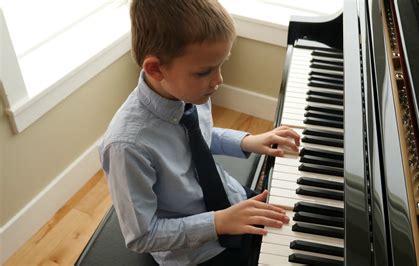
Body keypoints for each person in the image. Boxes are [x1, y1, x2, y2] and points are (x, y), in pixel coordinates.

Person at [99, 0, 300, 265]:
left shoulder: (192, 91)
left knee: (297, 221)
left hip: (231, 199)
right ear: (156, 69)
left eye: (221, 64)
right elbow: (142, 236)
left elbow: (199, 137)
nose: (219, 81)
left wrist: (248, 141)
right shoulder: (127, 146)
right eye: (205, 71)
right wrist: (219, 222)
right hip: (196, 252)